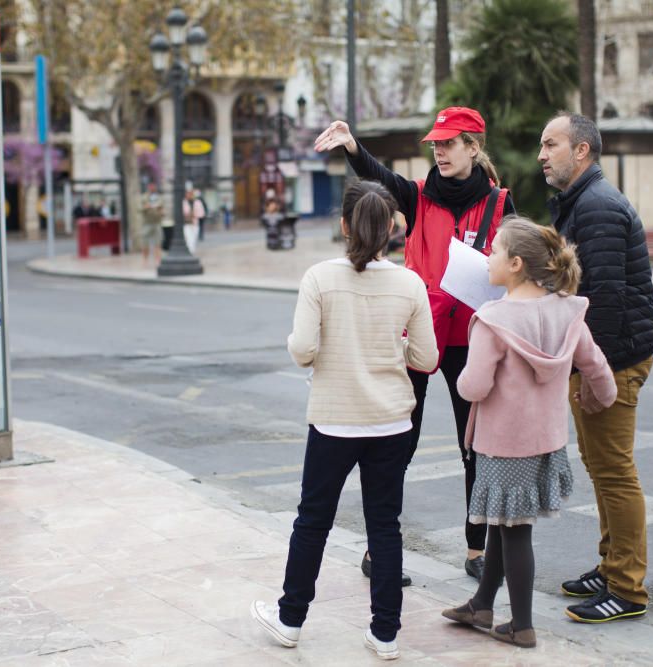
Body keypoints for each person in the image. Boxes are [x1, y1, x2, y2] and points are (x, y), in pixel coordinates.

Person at [315, 106, 514, 583]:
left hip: (472, 337)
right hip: (418, 335)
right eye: (436, 145)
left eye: (449, 143)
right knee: (397, 443)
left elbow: (516, 261)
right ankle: (377, 549)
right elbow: (377, 176)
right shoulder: (419, 194)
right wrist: (350, 144)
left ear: (473, 146)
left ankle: (475, 549)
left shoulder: (500, 203)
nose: (439, 151)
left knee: (477, 447)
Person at [251, 180, 438, 661]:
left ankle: (290, 619)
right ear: (392, 229)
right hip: (391, 423)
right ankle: (386, 634)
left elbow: (304, 351)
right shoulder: (410, 283)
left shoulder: (319, 278)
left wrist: (312, 345)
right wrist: (391, 346)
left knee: (313, 521)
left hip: (334, 422)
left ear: (343, 226)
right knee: (385, 527)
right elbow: (427, 357)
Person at [440, 217, 617, 648]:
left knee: (515, 530)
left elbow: (474, 386)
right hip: (546, 441)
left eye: (495, 251)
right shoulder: (568, 310)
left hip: (503, 444)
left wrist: (462, 380)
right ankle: (482, 603)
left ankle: (522, 625)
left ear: (516, 264)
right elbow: (594, 363)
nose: (488, 258)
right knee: (506, 522)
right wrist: (603, 396)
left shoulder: (493, 320)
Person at [538, 111, 653, 623]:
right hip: (598, 356)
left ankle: (627, 589)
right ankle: (611, 566)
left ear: (581, 150)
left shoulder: (597, 208)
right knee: (601, 467)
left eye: (551, 144)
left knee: (614, 472)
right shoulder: (580, 203)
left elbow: (604, 301)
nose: (541, 154)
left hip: (614, 356)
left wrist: (595, 374)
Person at [141, 182, 163, 266]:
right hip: (147, 223)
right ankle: (145, 260)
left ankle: (158, 260)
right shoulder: (144, 197)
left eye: (154, 186)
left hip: (157, 223)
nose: (152, 188)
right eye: (151, 186)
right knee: (145, 243)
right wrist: (146, 207)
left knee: (158, 243)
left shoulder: (159, 197)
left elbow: (162, 208)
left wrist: (161, 212)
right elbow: (138, 208)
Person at [181, 188, 204, 255]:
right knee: (188, 238)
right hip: (187, 223)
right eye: (187, 193)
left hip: (194, 223)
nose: (189, 195)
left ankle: (191, 252)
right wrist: (187, 214)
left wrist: (194, 214)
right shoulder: (184, 202)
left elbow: (201, 214)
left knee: (193, 239)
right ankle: (190, 253)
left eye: (190, 193)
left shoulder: (197, 202)